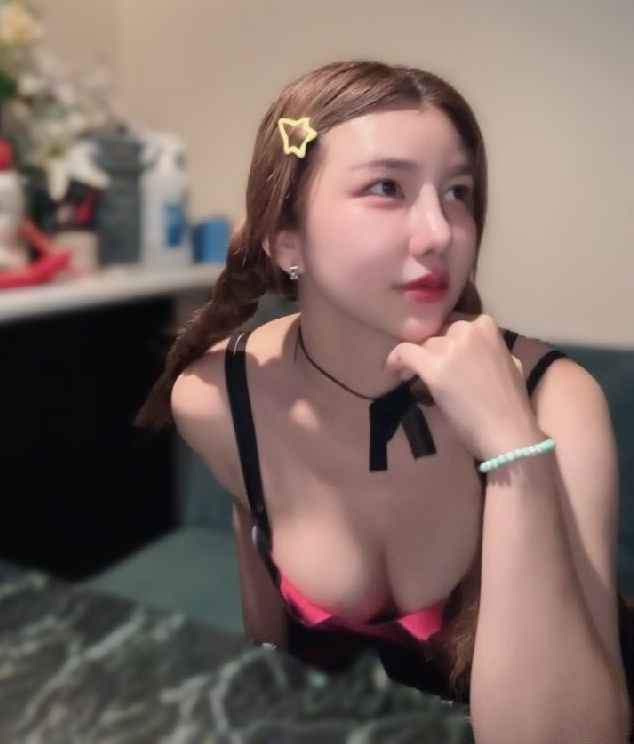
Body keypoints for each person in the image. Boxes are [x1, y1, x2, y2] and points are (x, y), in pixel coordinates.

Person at [139, 60, 631, 743]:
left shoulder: (556, 400)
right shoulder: (220, 400)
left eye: (457, 192)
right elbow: (270, 659)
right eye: (386, 188)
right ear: (286, 238)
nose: (440, 232)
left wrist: (512, 448)